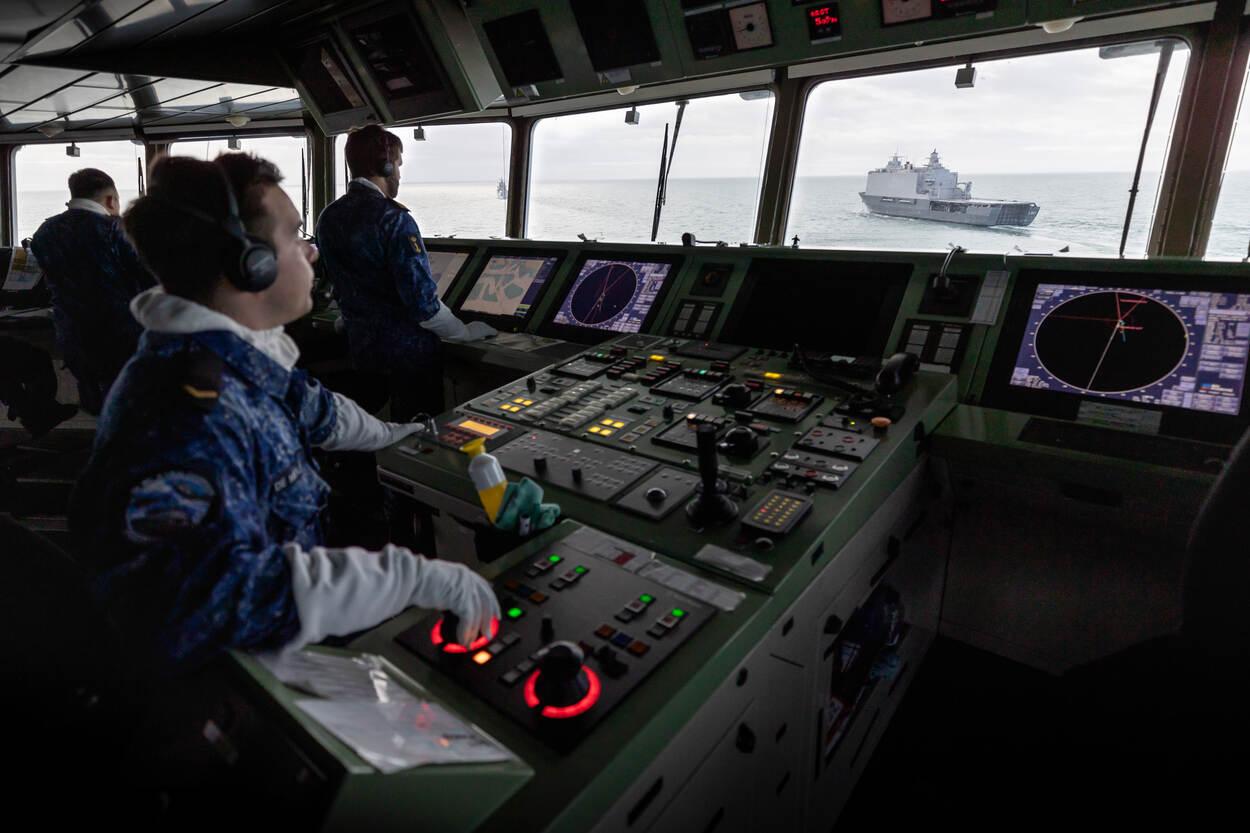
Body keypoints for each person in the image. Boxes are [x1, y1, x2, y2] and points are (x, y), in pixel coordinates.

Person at [69, 153, 557, 674]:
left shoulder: (235, 354)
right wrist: (416, 580)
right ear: (249, 264)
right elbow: (207, 603)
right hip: (244, 684)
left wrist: (417, 438)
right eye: (295, 234)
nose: (311, 251)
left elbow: (322, 412)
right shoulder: (188, 410)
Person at [316, 124, 495, 422]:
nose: (399, 173)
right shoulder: (394, 220)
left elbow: (344, 286)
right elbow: (423, 307)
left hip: (363, 355)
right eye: (397, 164)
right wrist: (465, 332)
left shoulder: (329, 217)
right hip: (410, 362)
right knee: (420, 442)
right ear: (384, 165)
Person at [29, 168, 156, 414]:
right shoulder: (115, 230)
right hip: (122, 338)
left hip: (73, 338)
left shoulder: (43, 234)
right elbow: (149, 279)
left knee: (102, 402)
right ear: (111, 200)